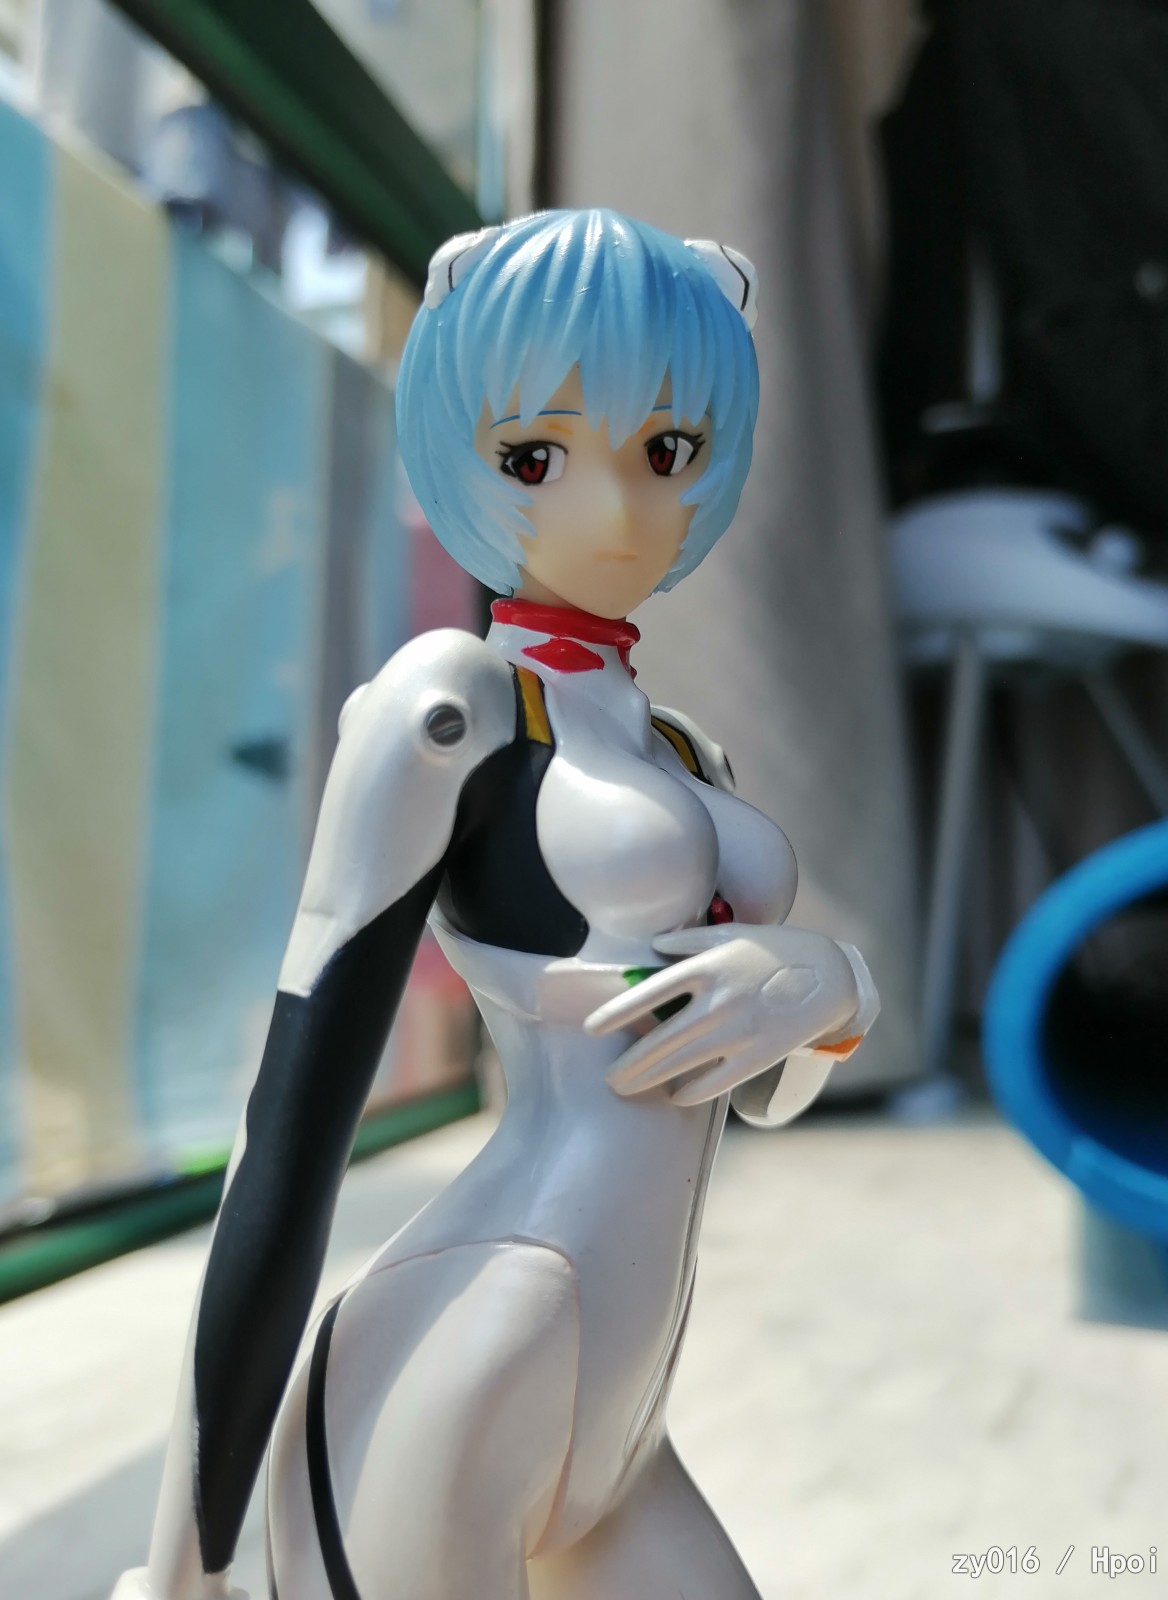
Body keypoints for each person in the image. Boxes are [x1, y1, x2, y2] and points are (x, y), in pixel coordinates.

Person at [112, 208, 879, 1600]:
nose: (619, 510)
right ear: (460, 446)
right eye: (537, 456)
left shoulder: (686, 753)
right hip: (458, 1368)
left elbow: (754, 1092)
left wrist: (835, 991)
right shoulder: (449, 704)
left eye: (669, 451)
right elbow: (290, 1135)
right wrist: (181, 1570)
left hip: (625, 1413)